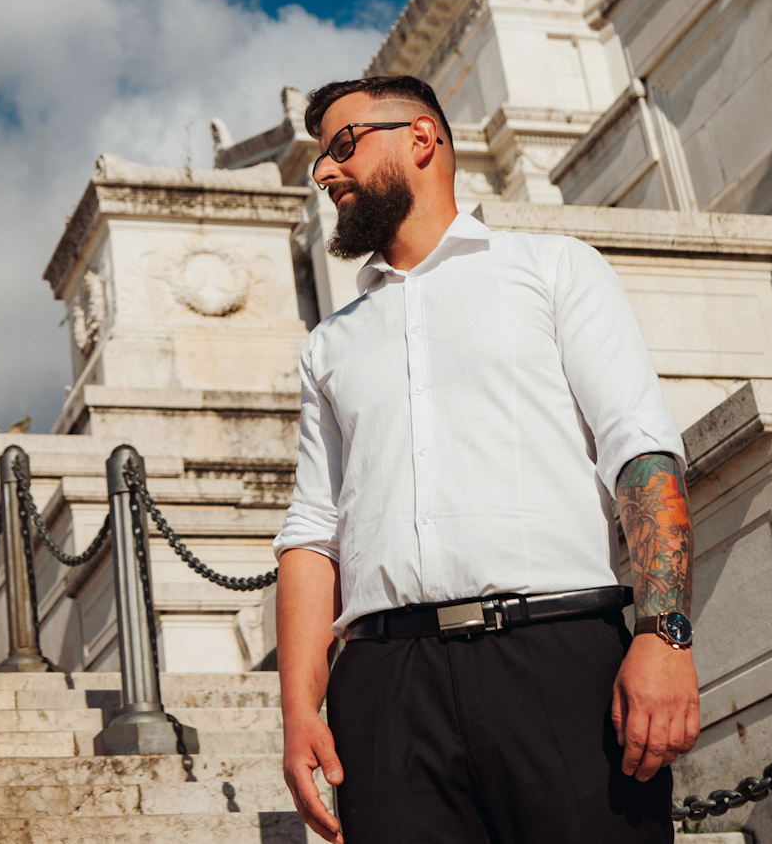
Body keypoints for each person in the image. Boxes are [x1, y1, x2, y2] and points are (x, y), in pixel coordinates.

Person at [275, 73, 698, 844]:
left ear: (422, 137)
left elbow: (639, 450)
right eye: (319, 159)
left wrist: (663, 631)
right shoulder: (328, 345)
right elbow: (313, 530)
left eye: (342, 145)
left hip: (558, 654)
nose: (325, 172)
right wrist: (300, 709)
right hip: (383, 687)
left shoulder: (555, 268)